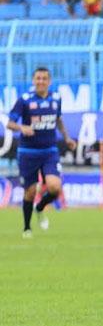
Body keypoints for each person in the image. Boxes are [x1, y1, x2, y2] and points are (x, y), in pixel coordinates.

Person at [7, 67, 77, 238]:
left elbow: (58, 119)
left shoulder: (56, 98)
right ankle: (27, 227)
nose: (41, 81)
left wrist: (67, 137)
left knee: (55, 187)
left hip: (49, 151)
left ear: (49, 81)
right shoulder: (24, 100)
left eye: (44, 78)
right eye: (38, 78)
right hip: (28, 153)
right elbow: (10, 123)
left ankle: (40, 207)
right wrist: (22, 127)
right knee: (30, 192)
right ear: (33, 81)